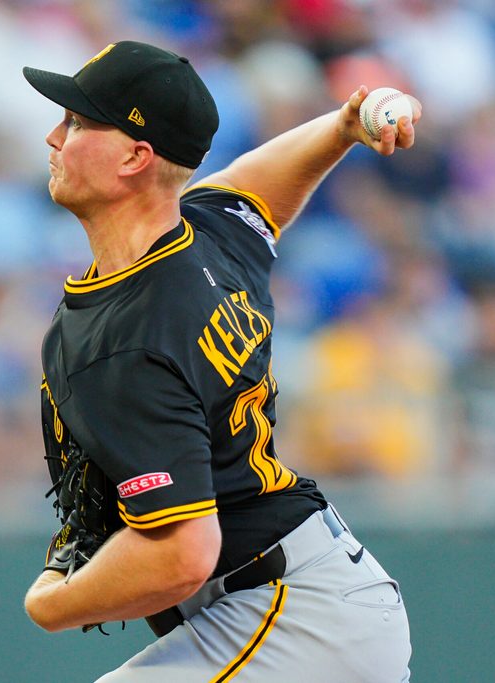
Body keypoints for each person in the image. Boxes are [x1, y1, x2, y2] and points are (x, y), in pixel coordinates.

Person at [21, 40, 420, 682]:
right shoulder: (208, 234)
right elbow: (259, 186)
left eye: (76, 121)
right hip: (309, 599)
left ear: (134, 156)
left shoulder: (123, 340)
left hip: (288, 618)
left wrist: (51, 604)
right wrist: (341, 127)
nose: (53, 135)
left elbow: (183, 555)